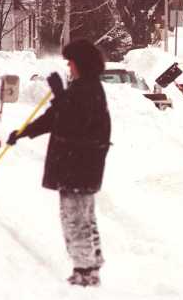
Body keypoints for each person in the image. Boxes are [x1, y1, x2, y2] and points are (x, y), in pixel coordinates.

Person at [6, 39, 111, 287]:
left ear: (81, 64)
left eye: (71, 62)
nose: (68, 66)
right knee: (83, 216)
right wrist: (23, 132)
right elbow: (54, 118)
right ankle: (92, 263)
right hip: (77, 167)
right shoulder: (80, 88)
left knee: (75, 219)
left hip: (80, 166)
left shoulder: (88, 89)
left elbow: (74, 121)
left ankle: (85, 272)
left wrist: (61, 95)